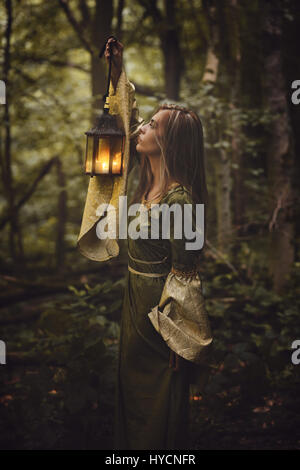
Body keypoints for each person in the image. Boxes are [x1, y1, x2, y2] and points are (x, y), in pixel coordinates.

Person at [78, 38, 213, 450]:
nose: (142, 129)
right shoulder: (147, 178)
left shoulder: (181, 200)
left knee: (160, 392)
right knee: (131, 390)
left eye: (153, 126)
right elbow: (124, 118)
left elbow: (186, 274)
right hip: (133, 301)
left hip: (160, 312)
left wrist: (180, 336)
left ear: (169, 143)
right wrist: (117, 71)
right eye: (148, 122)